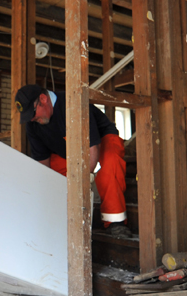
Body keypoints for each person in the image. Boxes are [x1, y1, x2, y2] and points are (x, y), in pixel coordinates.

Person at [15, 84, 135, 240]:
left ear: (43, 99)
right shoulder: (33, 125)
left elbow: (93, 148)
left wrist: (82, 180)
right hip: (67, 151)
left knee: (109, 165)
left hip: (101, 141)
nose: (32, 119)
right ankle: (65, 222)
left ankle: (115, 223)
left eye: (33, 113)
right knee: (54, 175)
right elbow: (43, 165)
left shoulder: (73, 104)